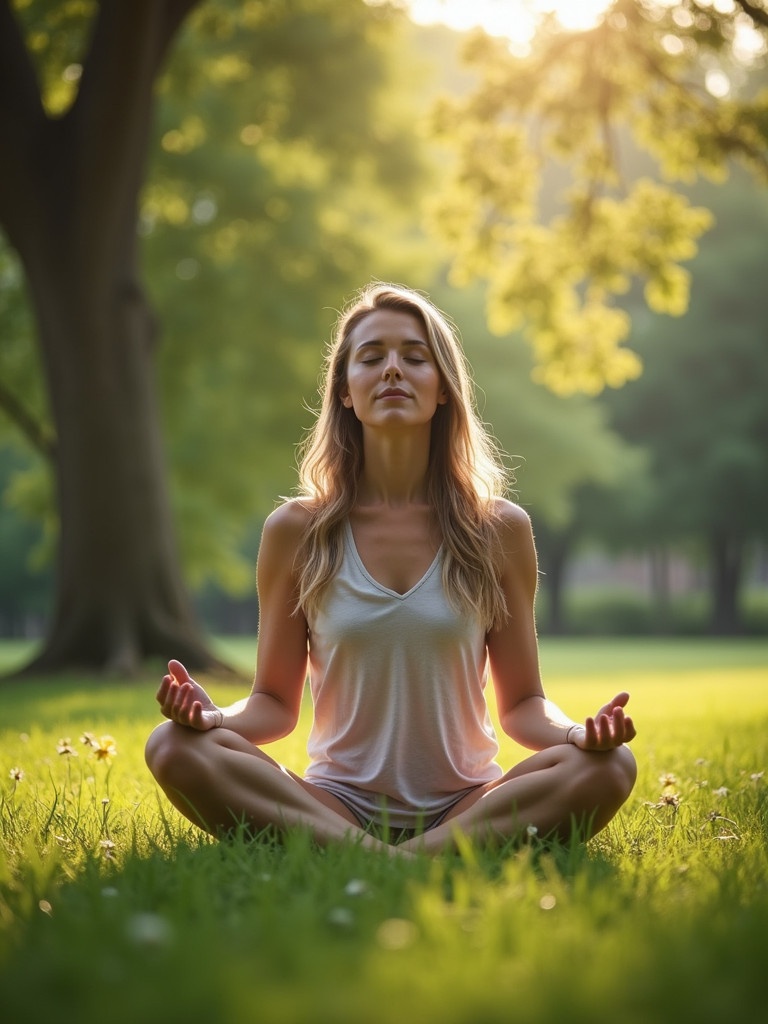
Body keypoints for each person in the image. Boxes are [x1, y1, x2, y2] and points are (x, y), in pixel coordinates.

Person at [145, 282, 637, 854]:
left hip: (466, 803)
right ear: (346, 392)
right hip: (337, 804)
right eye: (372, 357)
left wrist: (578, 733)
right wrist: (212, 719)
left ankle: (385, 861)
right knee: (172, 746)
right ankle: (400, 859)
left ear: (444, 389)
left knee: (609, 767)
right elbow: (274, 707)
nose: (393, 371)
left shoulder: (500, 528)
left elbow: (523, 705)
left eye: (415, 356)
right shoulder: (296, 530)